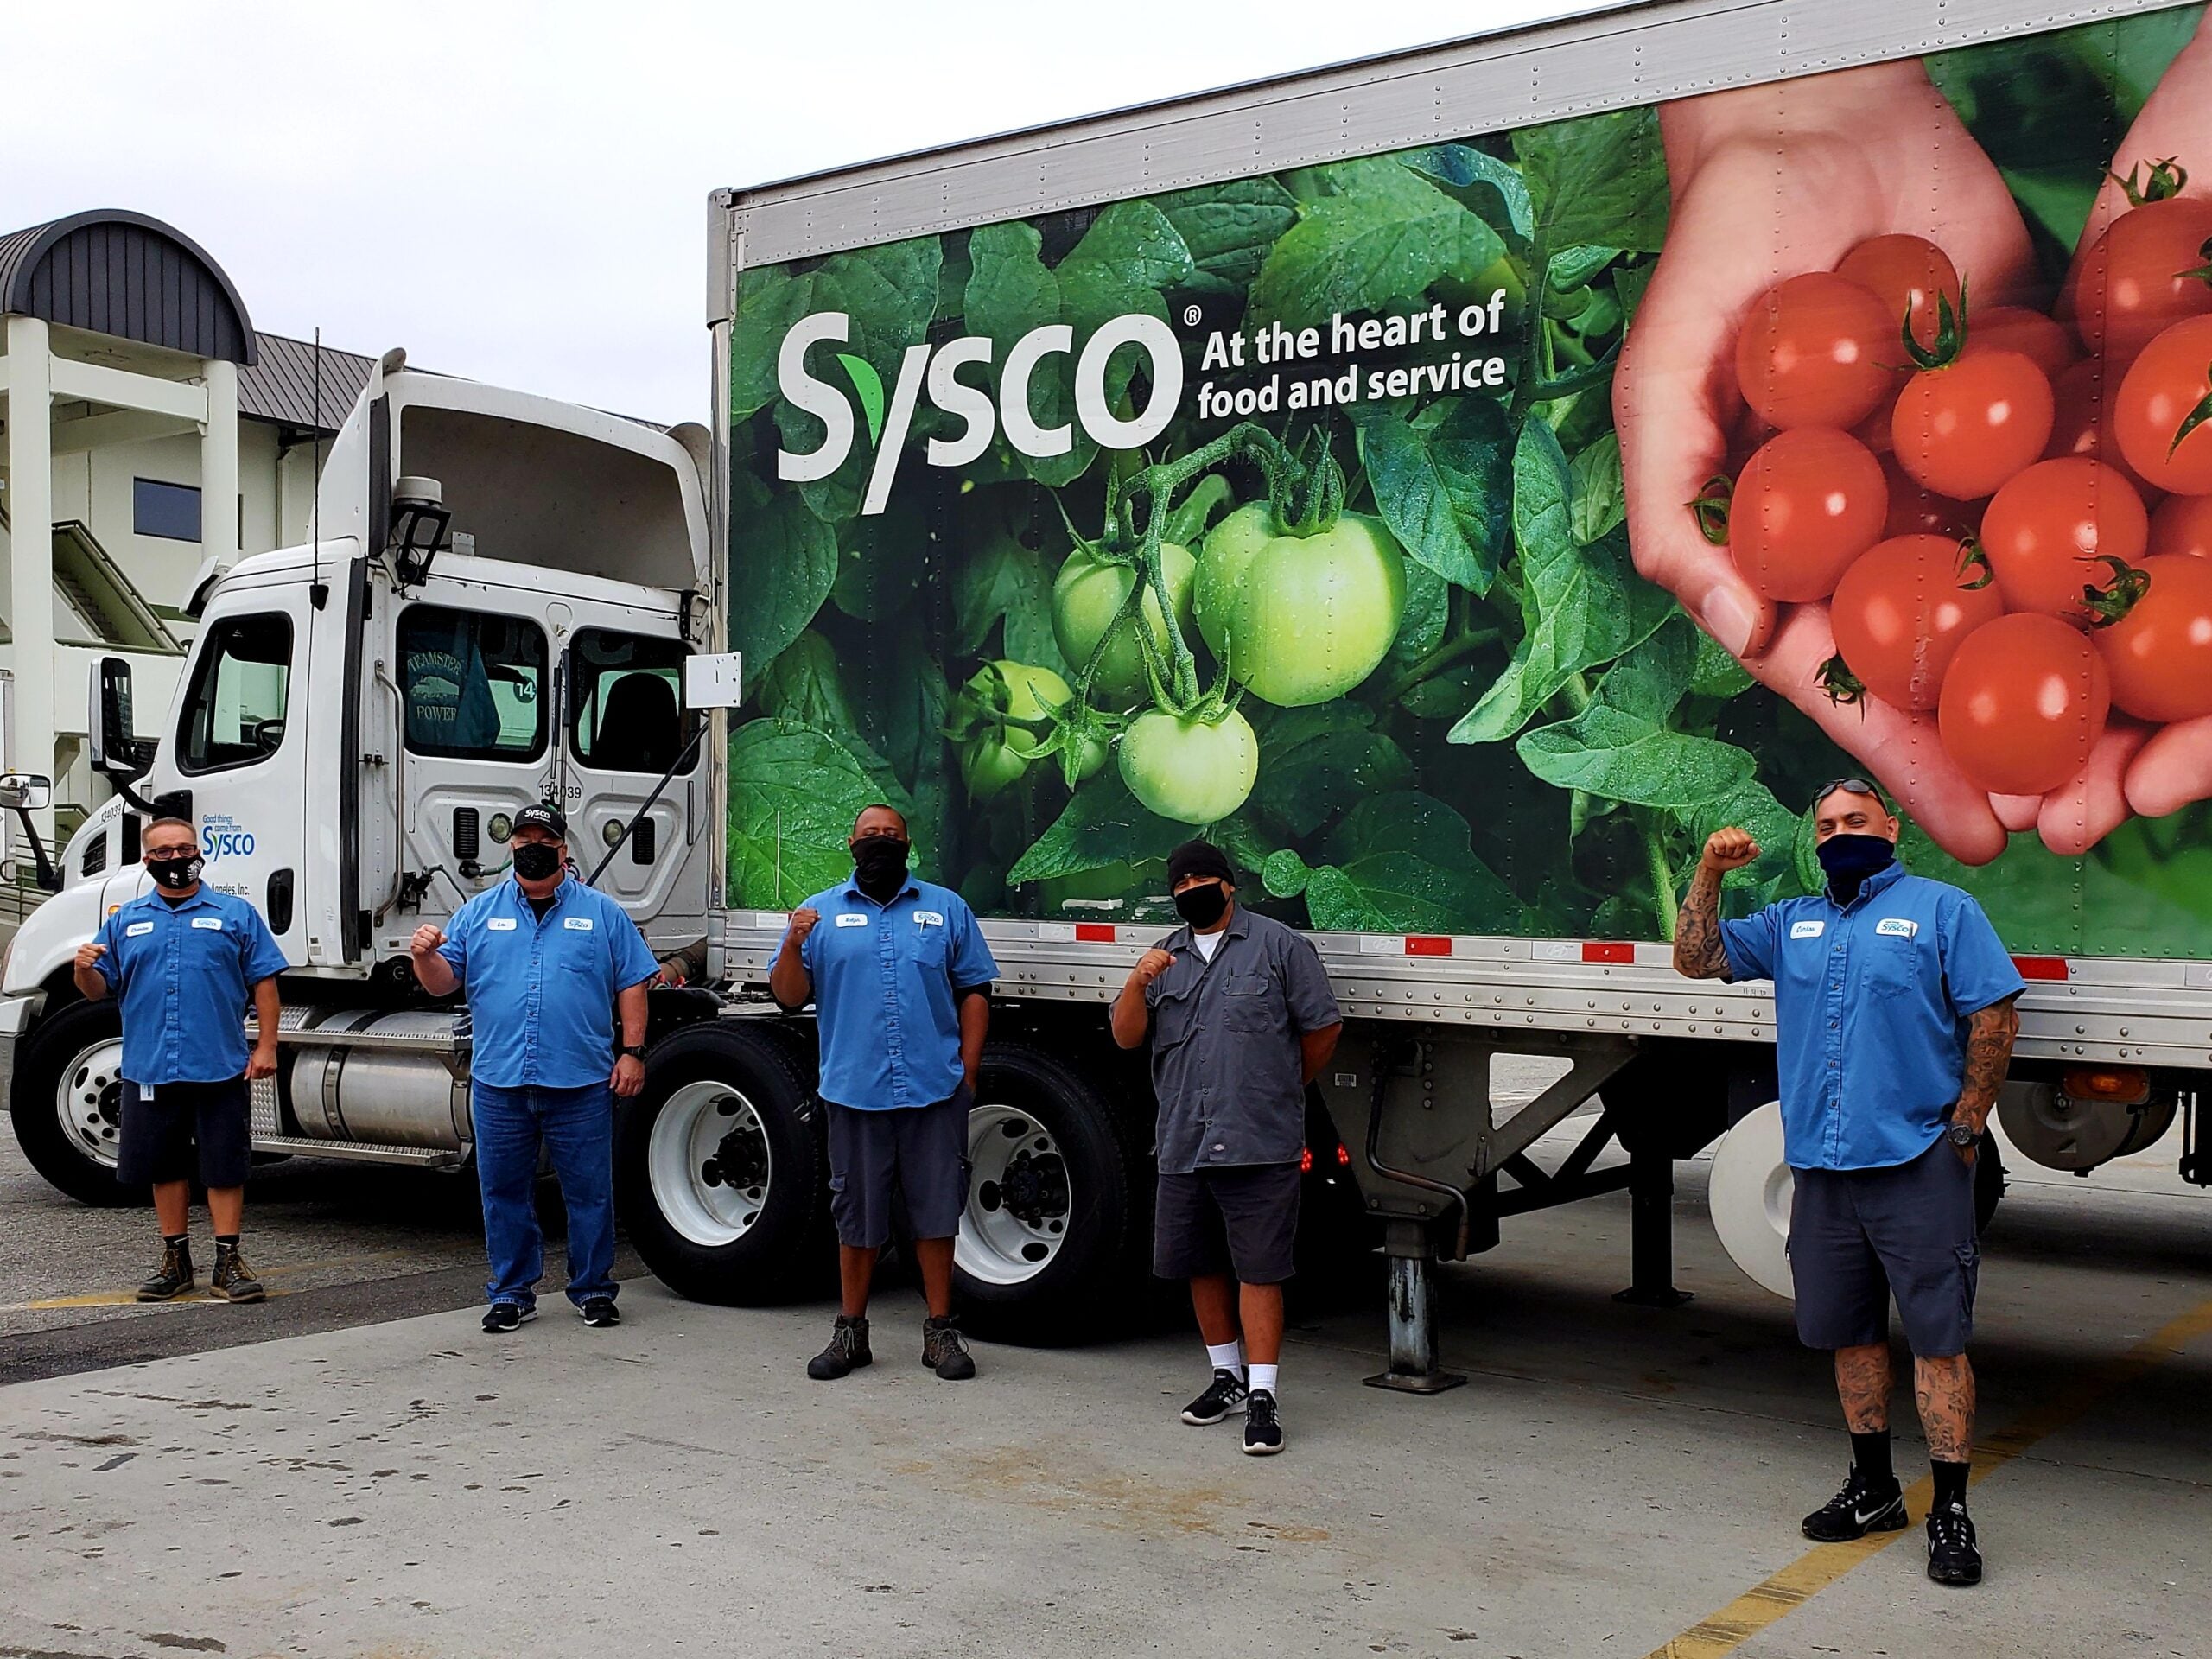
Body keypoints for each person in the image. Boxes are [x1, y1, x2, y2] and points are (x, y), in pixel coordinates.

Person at [1672, 779, 2024, 1587]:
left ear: (1891, 827)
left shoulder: (1942, 910)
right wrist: (1709, 871)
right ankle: (1874, 1490)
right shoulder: (1791, 922)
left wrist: (1966, 1129)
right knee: (1851, 1337)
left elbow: (1995, 1012)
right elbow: (1696, 960)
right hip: (1823, 1174)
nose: (1840, 835)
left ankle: (1952, 1511)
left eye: (1855, 821)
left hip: (1917, 1166)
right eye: (1827, 826)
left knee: (1940, 1343)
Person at [1109, 840, 1342, 1458]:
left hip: (1258, 1139)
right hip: (1185, 1138)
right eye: (1181, 882)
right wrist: (1137, 982)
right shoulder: (1164, 958)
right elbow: (1127, 1036)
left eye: (1203, 878)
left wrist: (1280, 1088)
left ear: (1230, 884)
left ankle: (1263, 1394)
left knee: (1260, 1268)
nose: (1192, 889)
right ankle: (1226, 1378)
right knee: (1200, 1263)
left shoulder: (1279, 946)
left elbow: (1322, 1027)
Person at [410, 803, 660, 1334]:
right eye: (523, 840)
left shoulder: (602, 913)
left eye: (544, 840)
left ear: (564, 850)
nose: (533, 847)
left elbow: (632, 984)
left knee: (590, 1192)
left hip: (581, 1082)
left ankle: (592, 1289)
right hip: (499, 1082)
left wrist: (632, 1052)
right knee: (502, 1192)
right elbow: (441, 982)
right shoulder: (478, 912)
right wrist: (424, 955)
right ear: (511, 849)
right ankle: (511, 1293)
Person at [770, 804, 998, 1383]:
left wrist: (967, 1072)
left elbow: (974, 990)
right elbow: (788, 996)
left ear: (908, 845)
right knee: (857, 1215)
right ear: (851, 845)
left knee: (936, 1211)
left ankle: (941, 1333)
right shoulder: (817, 914)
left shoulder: (946, 909)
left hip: (933, 1090)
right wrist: (794, 945)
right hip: (854, 1093)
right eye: (870, 836)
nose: (880, 844)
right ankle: (851, 1332)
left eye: (890, 837)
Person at [72, 817, 285, 1303]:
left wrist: (267, 1046)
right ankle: (176, 1261)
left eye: (184, 849)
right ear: (147, 861)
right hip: (150, 1066)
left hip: (219, 1064)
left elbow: (265, 982)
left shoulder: (234, 913)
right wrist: (82, 969)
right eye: (164, 852)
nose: (175, 859)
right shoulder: (125, 919)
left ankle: (228, 1262)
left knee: (224, 1166)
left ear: (199, 853)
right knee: (163, 1167)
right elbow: (98, 988)